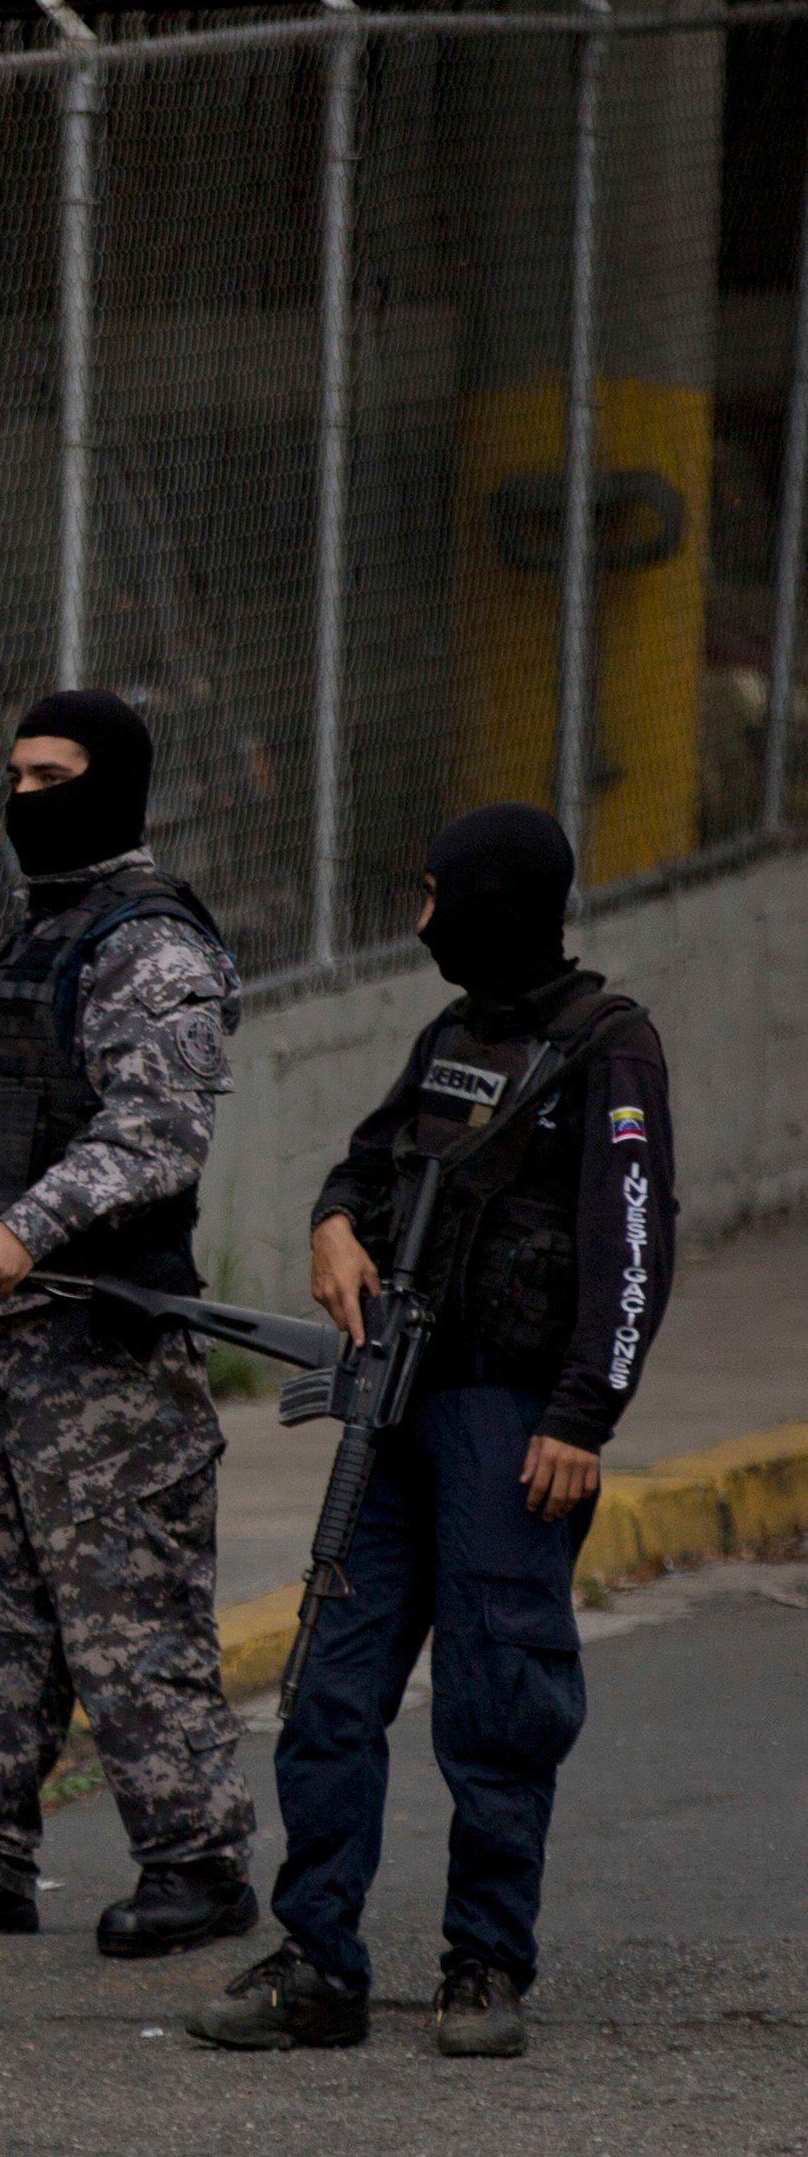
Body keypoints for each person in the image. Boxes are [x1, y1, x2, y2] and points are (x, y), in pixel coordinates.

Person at [190, 805, 673, 2060]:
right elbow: (365, 1162)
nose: (420, 917)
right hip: (395, 1407)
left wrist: (583, 1413)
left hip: (510, 1422)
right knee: (331, 1687)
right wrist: (331, 1226)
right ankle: (317, 1960)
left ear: (490, 898)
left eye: (433, 891)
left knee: (498, 1696)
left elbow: (632, 1251)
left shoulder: (608, 1048)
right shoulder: (453, 1034)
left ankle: (485, 1964)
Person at [0, 689, 259, 1957]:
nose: (26, 796)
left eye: (54, 774)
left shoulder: (152, 948)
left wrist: (28, 1234)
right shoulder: (28, 941)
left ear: (114, 783)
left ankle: (196, 1858)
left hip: (98, 1348)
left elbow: (157, 1130)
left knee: (126, 1610)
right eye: (17, 773)